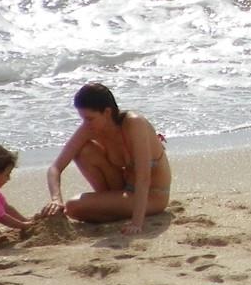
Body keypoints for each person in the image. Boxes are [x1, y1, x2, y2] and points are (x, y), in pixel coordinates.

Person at [41, 82, 170, 232]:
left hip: (151, 196)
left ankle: (109, 209)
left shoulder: (134, 123)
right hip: (123, 189)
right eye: (83, 119)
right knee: (84, 151)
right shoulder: (90, 128)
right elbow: (55, 168)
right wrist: (56, 199)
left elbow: (144, 178)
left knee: (73, 206)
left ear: (107, 112)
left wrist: (136, 224)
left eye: (90, 118)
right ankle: (108, 205)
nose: (86, 124)